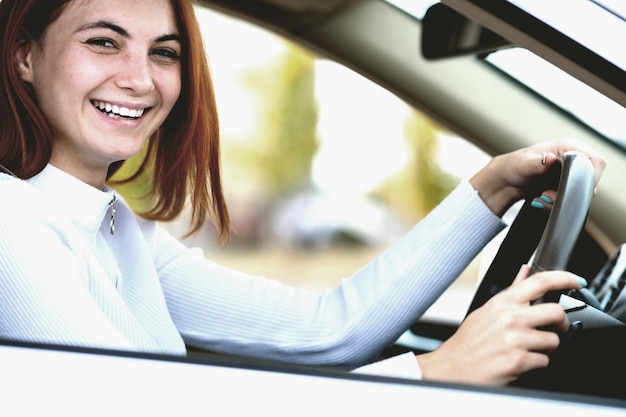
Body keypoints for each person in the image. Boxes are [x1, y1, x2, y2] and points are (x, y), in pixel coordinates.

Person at [0, 0, 606, 386]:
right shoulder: (12, 222)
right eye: (103, 41)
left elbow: (326, 330)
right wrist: (438, 373)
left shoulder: (119, 229)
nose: (139, 78)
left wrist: (489, 190)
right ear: (25, 56)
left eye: (165, 52)